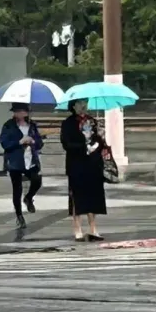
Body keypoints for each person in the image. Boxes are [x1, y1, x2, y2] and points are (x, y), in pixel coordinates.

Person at [60, 99, 107, 242]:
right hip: (76, 164)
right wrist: (83, 146)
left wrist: (100, 138)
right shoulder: (68, 123)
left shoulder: (92, 121)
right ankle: (77, 228)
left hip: (92, 163)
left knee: (93, 195)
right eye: (80, 103)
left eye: (85, 103)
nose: (83, 106)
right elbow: (66, 143)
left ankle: (93, 228)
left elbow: (99, 141)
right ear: (73, 106)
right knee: (77, 196)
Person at [0, 103, 44, 229]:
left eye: (22, 111)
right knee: (17, 188)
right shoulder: (8, 125)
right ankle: (19, 216)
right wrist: (19, 142)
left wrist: (33, 141)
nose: (19, 114)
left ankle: (29, 197)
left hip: (31, 159)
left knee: (37, 180)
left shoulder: (32, 125)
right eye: (16, 112)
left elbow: (40, 143)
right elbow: (5, 143)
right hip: (15, 161)